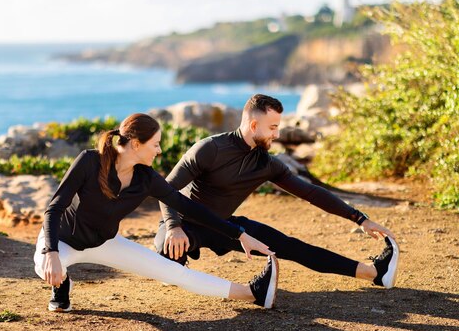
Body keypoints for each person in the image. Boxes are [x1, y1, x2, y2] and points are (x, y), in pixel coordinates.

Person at [34, 113, 279, 312]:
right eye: (155, 144)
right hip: (61, 240)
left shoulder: (146, 178)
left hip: (104, 242)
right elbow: (54, 208)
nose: (159, 150)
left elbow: (188, 207)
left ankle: (253, 293)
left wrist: (239, 234)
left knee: (174, 272)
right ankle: (62, 286)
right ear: (136, 144)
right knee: (44, 265)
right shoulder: (89, 161)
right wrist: (52, 251)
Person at [155, 94, 400, 289]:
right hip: (183, 223)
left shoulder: (267, 164)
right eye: (272, 127)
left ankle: (374, 272)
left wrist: (359, 218)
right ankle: (184, 270)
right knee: (168, 264)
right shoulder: (210, 148)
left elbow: (311, 193)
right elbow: (167, 188)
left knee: (292, 247)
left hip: (225, 227)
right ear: (253, 125)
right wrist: (174, 227)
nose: (277, 134)